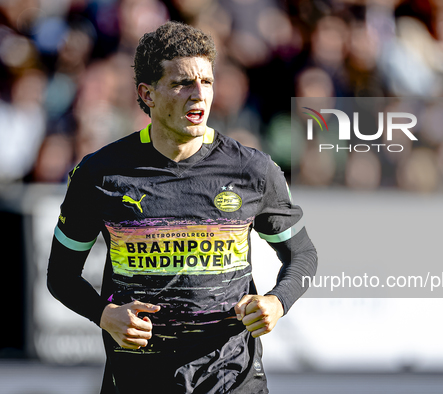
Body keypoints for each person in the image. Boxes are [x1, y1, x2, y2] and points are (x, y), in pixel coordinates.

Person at [47, 21, 317, 394]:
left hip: (232, 381)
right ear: (148, 94)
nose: (199, 95)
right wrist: (104, 315)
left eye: (206, 81)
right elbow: (60, 275)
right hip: (137, 382)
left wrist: (277, 301)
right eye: (181, 83)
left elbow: (302, 254)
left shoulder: (252, 170)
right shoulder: (99, 174)